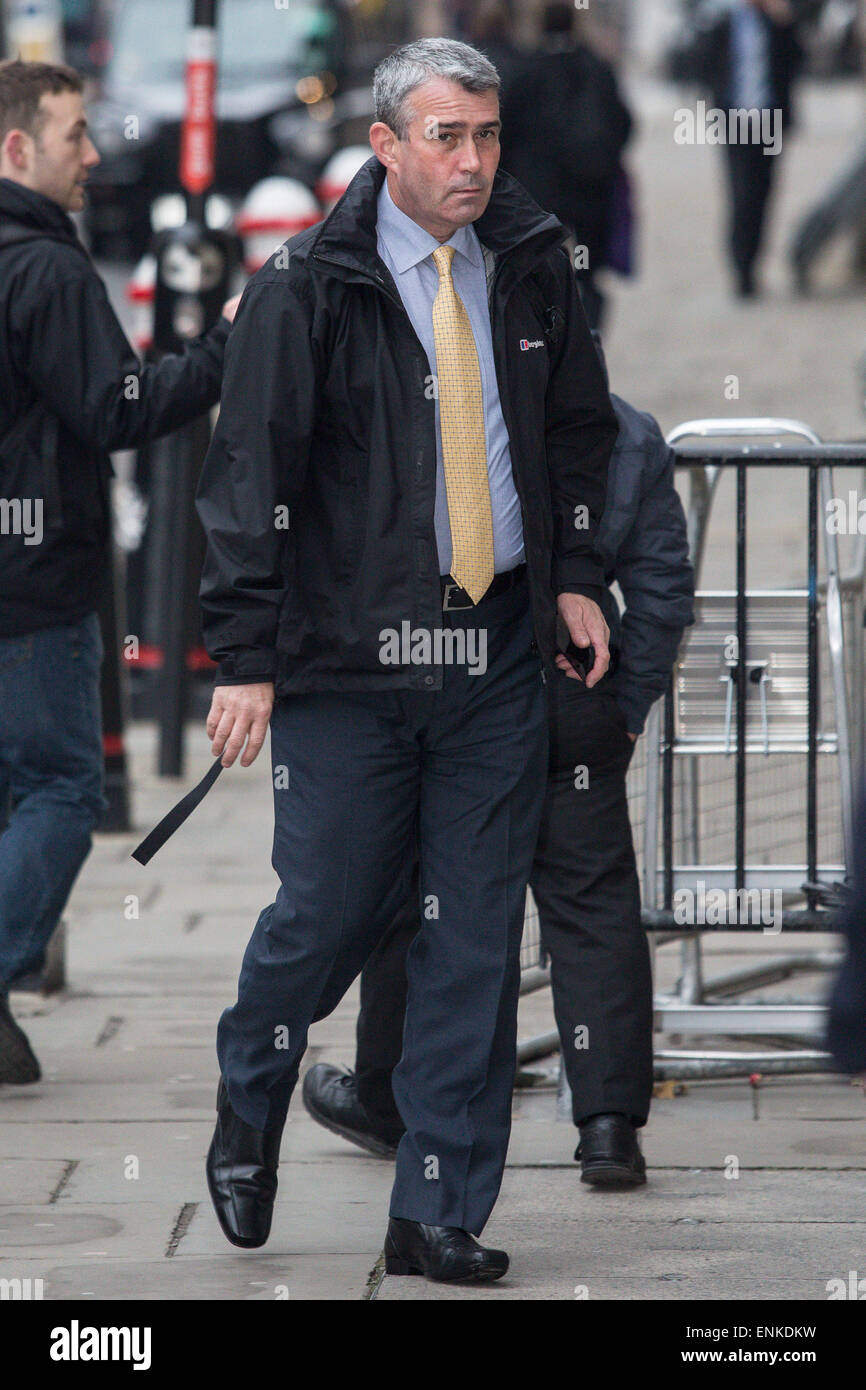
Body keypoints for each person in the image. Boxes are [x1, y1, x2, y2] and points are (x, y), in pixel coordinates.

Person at [196, 37, 618, 1284]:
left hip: (491, 649)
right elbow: (244, 481)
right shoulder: (305, 287)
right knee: (321, 917)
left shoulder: (534, 267)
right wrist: (244, 657)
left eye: (486, 136)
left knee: (473, 939)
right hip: (347, 662)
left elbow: (581, 435)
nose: (474, 161)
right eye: (447, 137)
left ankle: (434, 1207)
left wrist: (582, 577)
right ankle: (249, 1094)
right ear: (384, 146)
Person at [303, 345, 695, 1184]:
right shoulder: (628, 433)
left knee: (415, 896)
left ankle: (387, 1100)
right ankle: (608, 1126)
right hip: (571, 691)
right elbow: (662, 590)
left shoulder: (457, 416)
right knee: (591, 906)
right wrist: (622, 709)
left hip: (461, 688)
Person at [0, 59, 239, 1083]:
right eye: (72, 137)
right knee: (61, 787)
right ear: (17, 149)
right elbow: (121, 406)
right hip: (34, 580)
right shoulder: (47, 271)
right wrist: (226, 349)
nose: (93, 155)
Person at [499, 1, 633, 330]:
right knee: (589, 267)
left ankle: (551, 326)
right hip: (590, 187)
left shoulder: (525, 72)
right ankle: (589, 328)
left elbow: (506, 131)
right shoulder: (595, 67)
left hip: (540, 190)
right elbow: (624, 122)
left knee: (541, 264)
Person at [696, 0, 803, 298]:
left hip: (770, 121)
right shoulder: (724, 23)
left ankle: (753, 264)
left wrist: (787, 25)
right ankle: (741, 270)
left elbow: (796, 62)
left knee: (763, 193)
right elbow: (705, 64)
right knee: (741, 193)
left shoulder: (776, 24)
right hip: (735, 121)